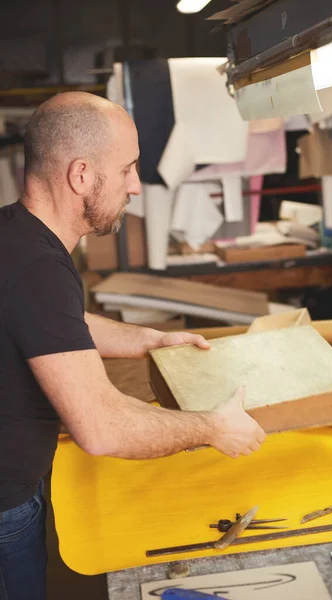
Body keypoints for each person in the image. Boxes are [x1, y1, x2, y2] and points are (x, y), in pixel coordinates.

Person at [0, 92, 266, 599]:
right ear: (81, 176)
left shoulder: (14, 234)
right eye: (127, 169)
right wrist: (212, 428)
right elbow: (101, 429)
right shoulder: (37, 265)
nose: (136, 187)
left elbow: (51, 323)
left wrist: (151, 340)